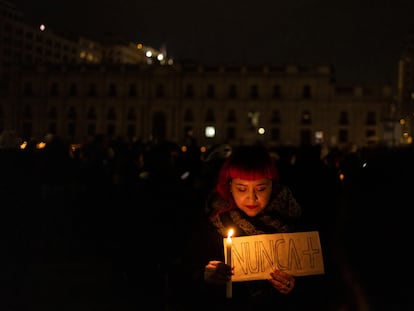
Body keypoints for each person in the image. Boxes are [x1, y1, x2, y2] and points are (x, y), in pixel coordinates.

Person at [175, 144, 326, 311]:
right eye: (242, 189)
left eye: (261, 188)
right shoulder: (213, 224)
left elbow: (321, 288)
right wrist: (204, 276)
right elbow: (182, 279)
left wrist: (295, 288)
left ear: (272, 186)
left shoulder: (295, 221)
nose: (252, 198)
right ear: (230, 187)